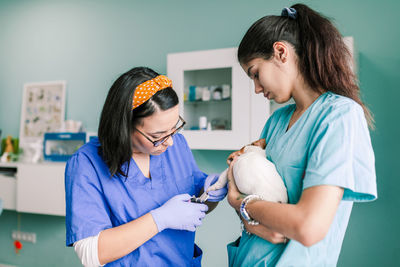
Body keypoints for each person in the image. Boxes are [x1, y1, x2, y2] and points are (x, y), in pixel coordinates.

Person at [225, 4, 377, 267]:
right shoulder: (276, 122)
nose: (257, 88)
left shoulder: (339, 117)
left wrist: (241, 203)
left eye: (256, 74)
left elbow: (308, 227)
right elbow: (257, 209)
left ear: (280, 52)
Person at [65, 67, 227, 266]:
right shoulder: (87, 163)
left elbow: (191, 210)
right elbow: (91, 254)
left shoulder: (177, 146)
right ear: (124, 126)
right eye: (158, 136)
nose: (170, 143)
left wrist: (209, 194)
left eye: (174, 128)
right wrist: (159, 219)